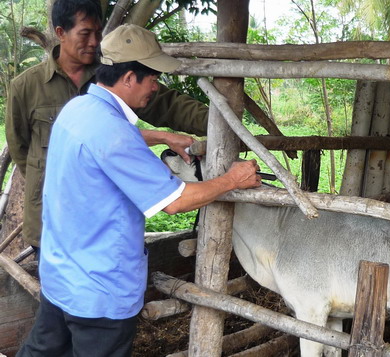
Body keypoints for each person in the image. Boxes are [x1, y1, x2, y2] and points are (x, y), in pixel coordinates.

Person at [16, 24, 262, 357]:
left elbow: (106, 138)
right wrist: (233, 179)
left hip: (61, 279)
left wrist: (162, 136)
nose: (155, 87)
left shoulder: (79, 109)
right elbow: (176, 201)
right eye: (152, 79)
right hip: (99, 294)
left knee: (42, 351)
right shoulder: (113, 132)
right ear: (129, 78)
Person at [5, 0, 208, 252]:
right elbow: (20, 149)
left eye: (98, 32)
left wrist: (217, 122)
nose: (94, 41)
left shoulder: (111, 73)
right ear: (60, 33)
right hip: (50, 215)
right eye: (85, 33)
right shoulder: (26, 86)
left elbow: (167, 105)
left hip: (101, 221)